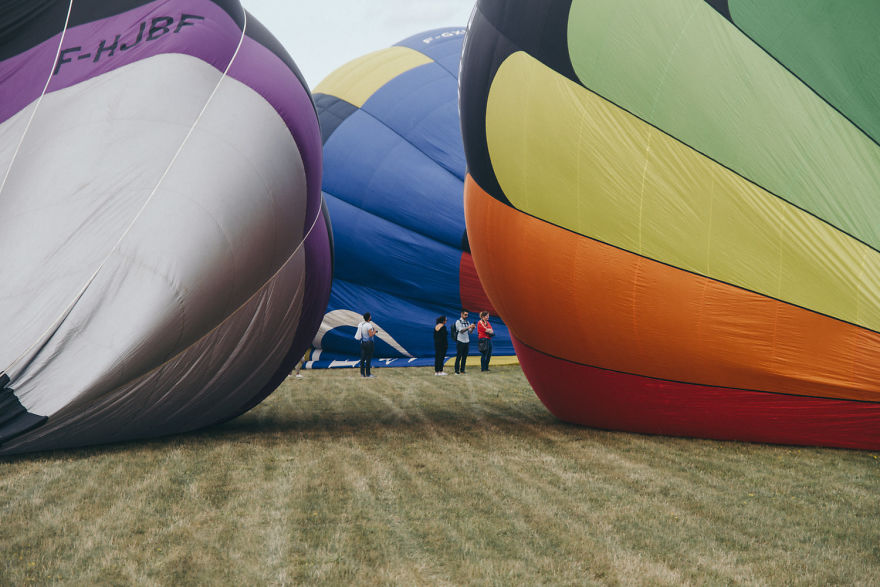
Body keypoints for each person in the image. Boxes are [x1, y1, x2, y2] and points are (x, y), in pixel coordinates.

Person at [354, 312, 377, 378]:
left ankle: (362, 374)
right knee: (368, 359)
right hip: (369, 344)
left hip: (363, 343)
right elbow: (370, 335)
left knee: (362, 359)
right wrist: (374, 332)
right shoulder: (369, 325)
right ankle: (368, 374)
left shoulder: (361, 324)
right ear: (369, 317)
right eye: (370, 316)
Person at [453, 310, 475, 374]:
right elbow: (461, 331)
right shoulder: (458, 322)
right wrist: (469, 327)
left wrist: (472, 328)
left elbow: (470, 332)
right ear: (461, 314)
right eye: (465, 315)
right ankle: (456, 371)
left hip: (466, 341)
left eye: (467, 315)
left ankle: (462, 370)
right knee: (459, 356)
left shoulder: (467, 322)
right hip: (460, 341)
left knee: (464, 357)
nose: (466, 316)